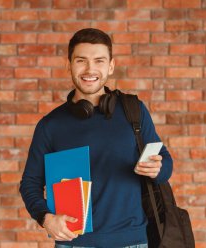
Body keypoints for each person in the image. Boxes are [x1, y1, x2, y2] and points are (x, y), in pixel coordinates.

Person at [19, 28, 173, 248]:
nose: (90, 69)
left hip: (133, 242)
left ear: (110, 66)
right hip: (74, 243)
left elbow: (165, 163)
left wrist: (158, 168)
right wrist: (46, 218)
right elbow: (30, 184)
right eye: (81, 60)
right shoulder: (50, 125)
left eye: (99, 61)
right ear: (69, 65)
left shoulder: (134, 111)